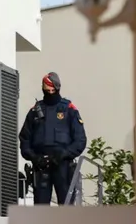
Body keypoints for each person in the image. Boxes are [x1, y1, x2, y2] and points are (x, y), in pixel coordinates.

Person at [18, 72, 87, 205]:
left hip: (63, 165)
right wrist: (34, 157)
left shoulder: (69, 109)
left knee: (66, 206)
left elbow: (80, 140)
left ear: (57, 88)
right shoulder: (35, 111)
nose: (50, 92)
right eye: (47, 90)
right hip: (40, 166)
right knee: (41, 208)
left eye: (53, 90)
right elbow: (24, 139)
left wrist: (64, 154)